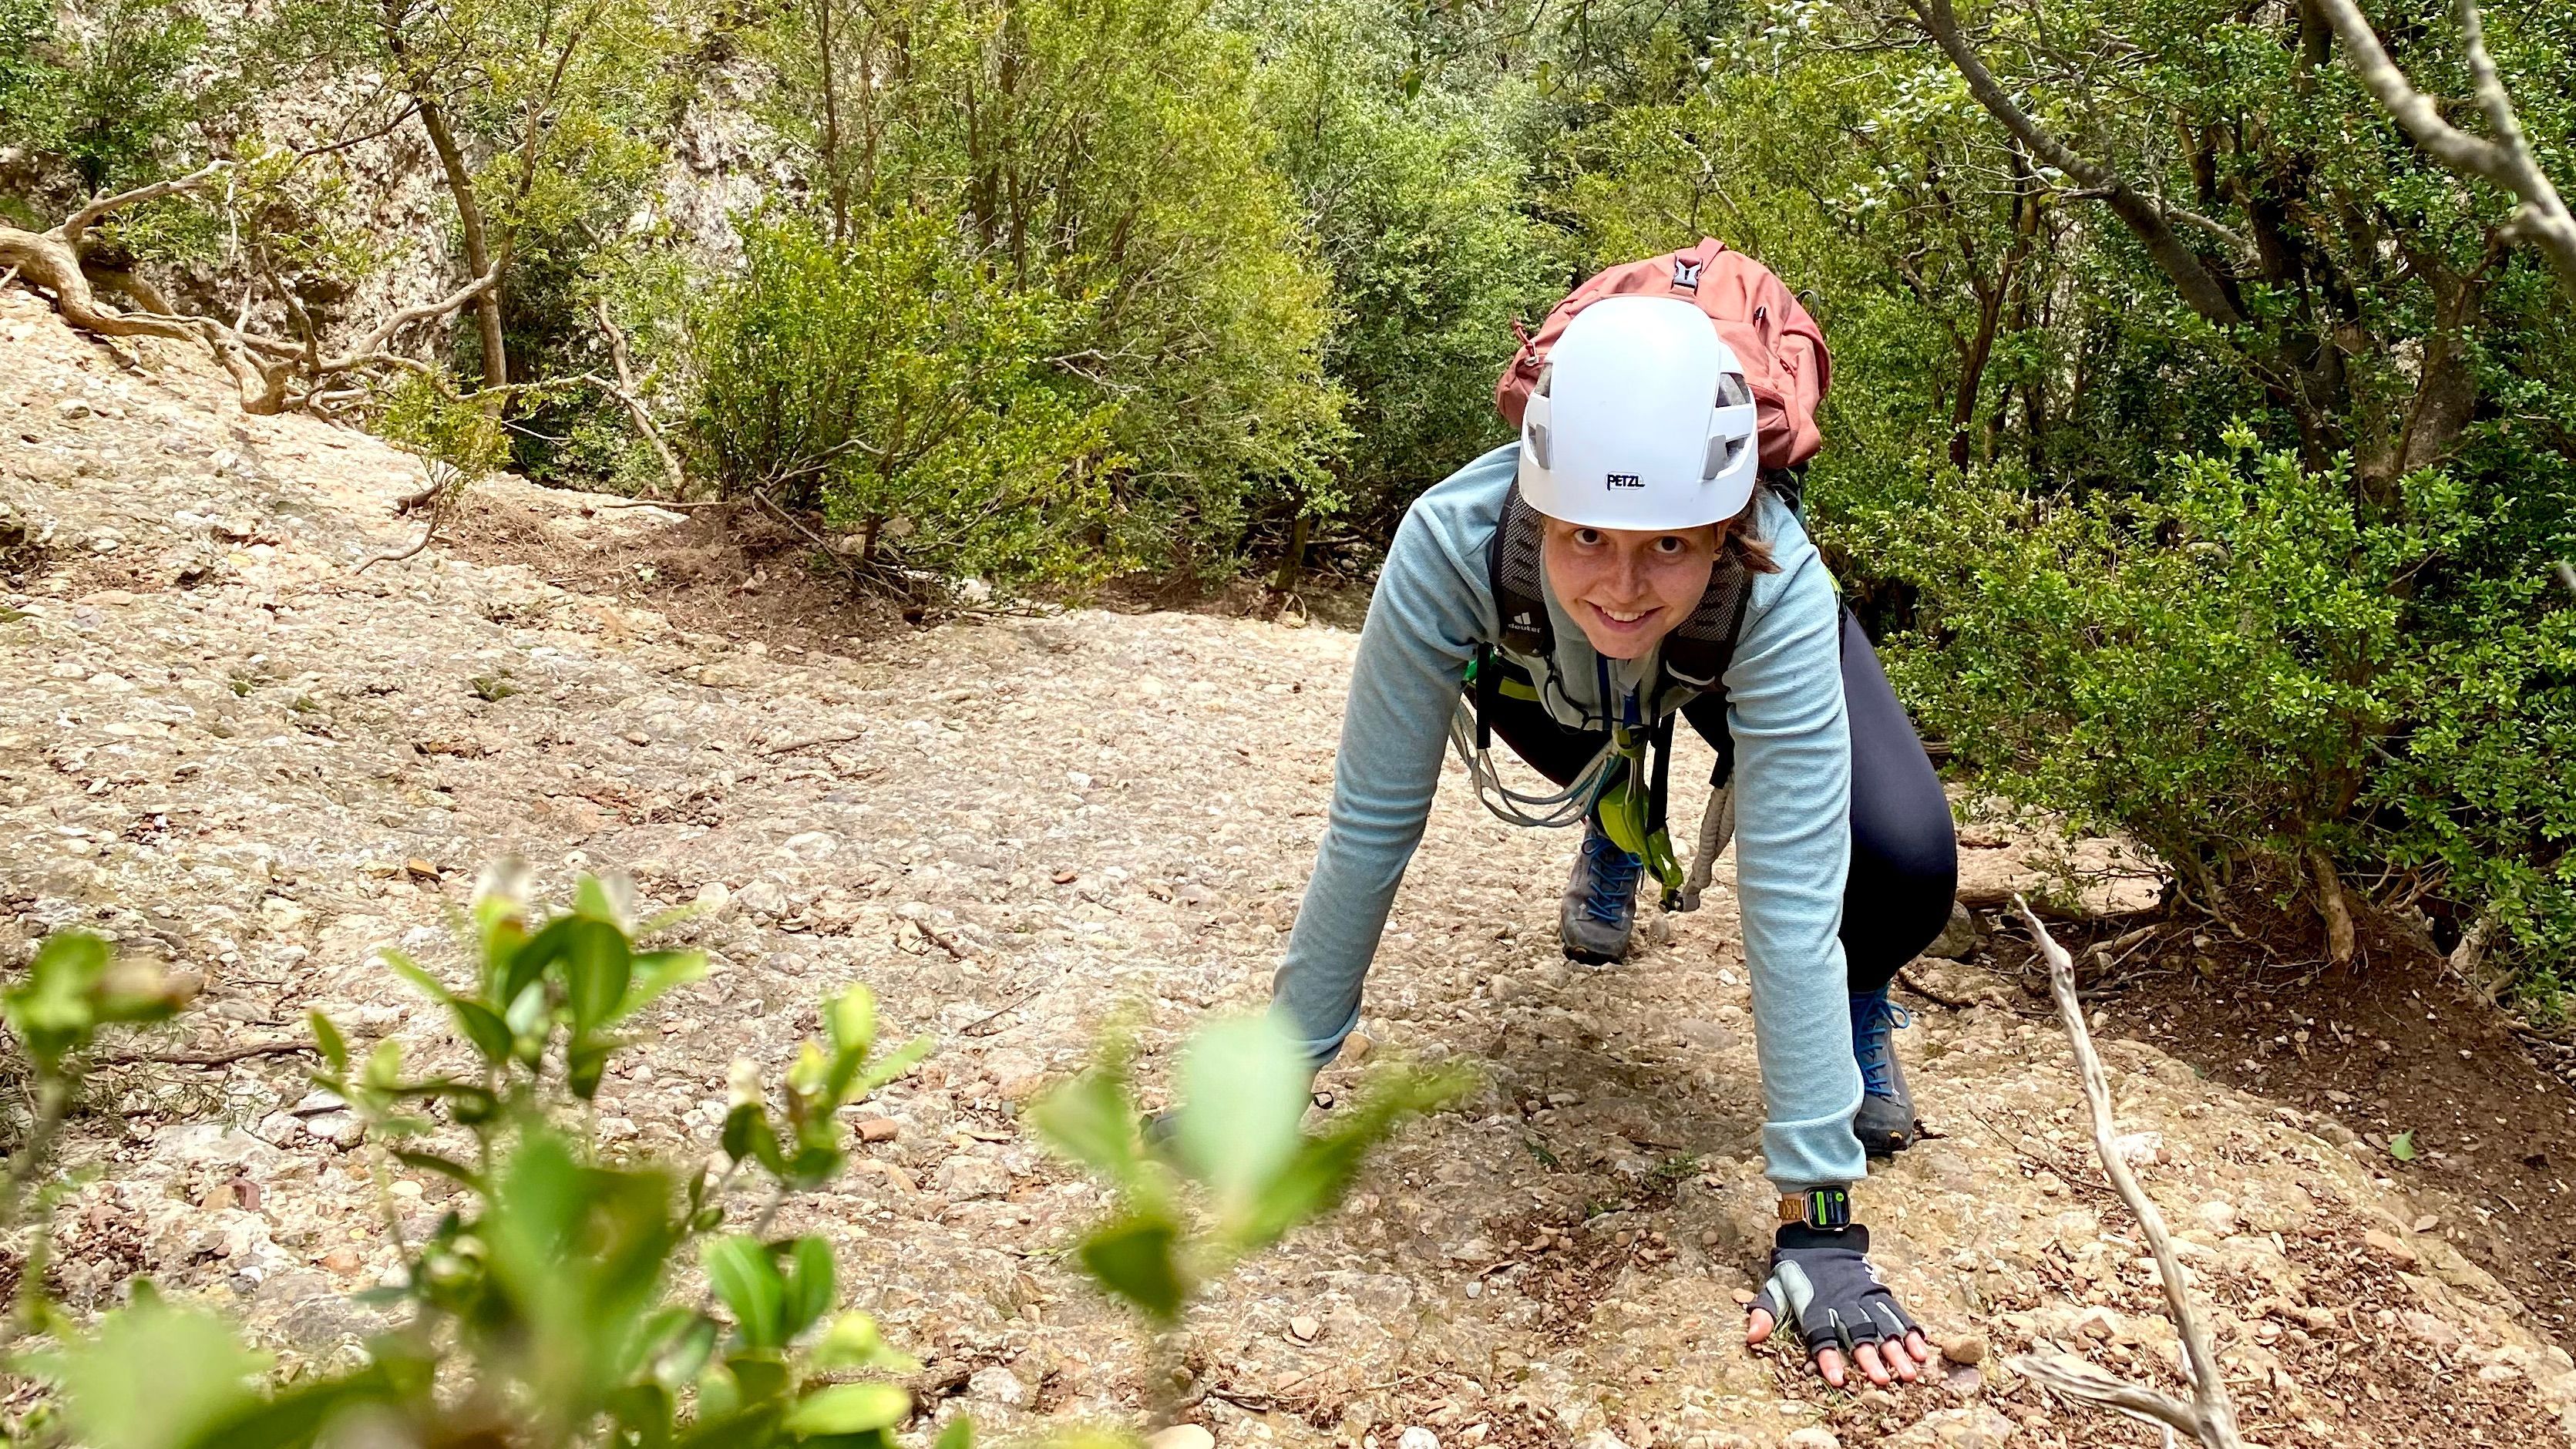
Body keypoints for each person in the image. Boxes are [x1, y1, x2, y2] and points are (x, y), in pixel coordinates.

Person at [1267, 293, 1956, 1387]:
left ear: (1726, 524)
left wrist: (1819, 1226)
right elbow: (1370, 826)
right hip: (1545, 665)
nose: (1625, 585)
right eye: (1586, 533)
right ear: (1539, 499)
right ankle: (1614, 814)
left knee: (1905, 860)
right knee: (1591, 687)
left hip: (1721, 646)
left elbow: (1784, 898)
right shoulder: (1454, 540)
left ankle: (1861, 996)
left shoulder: (1772, 573)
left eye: (1668, 545)